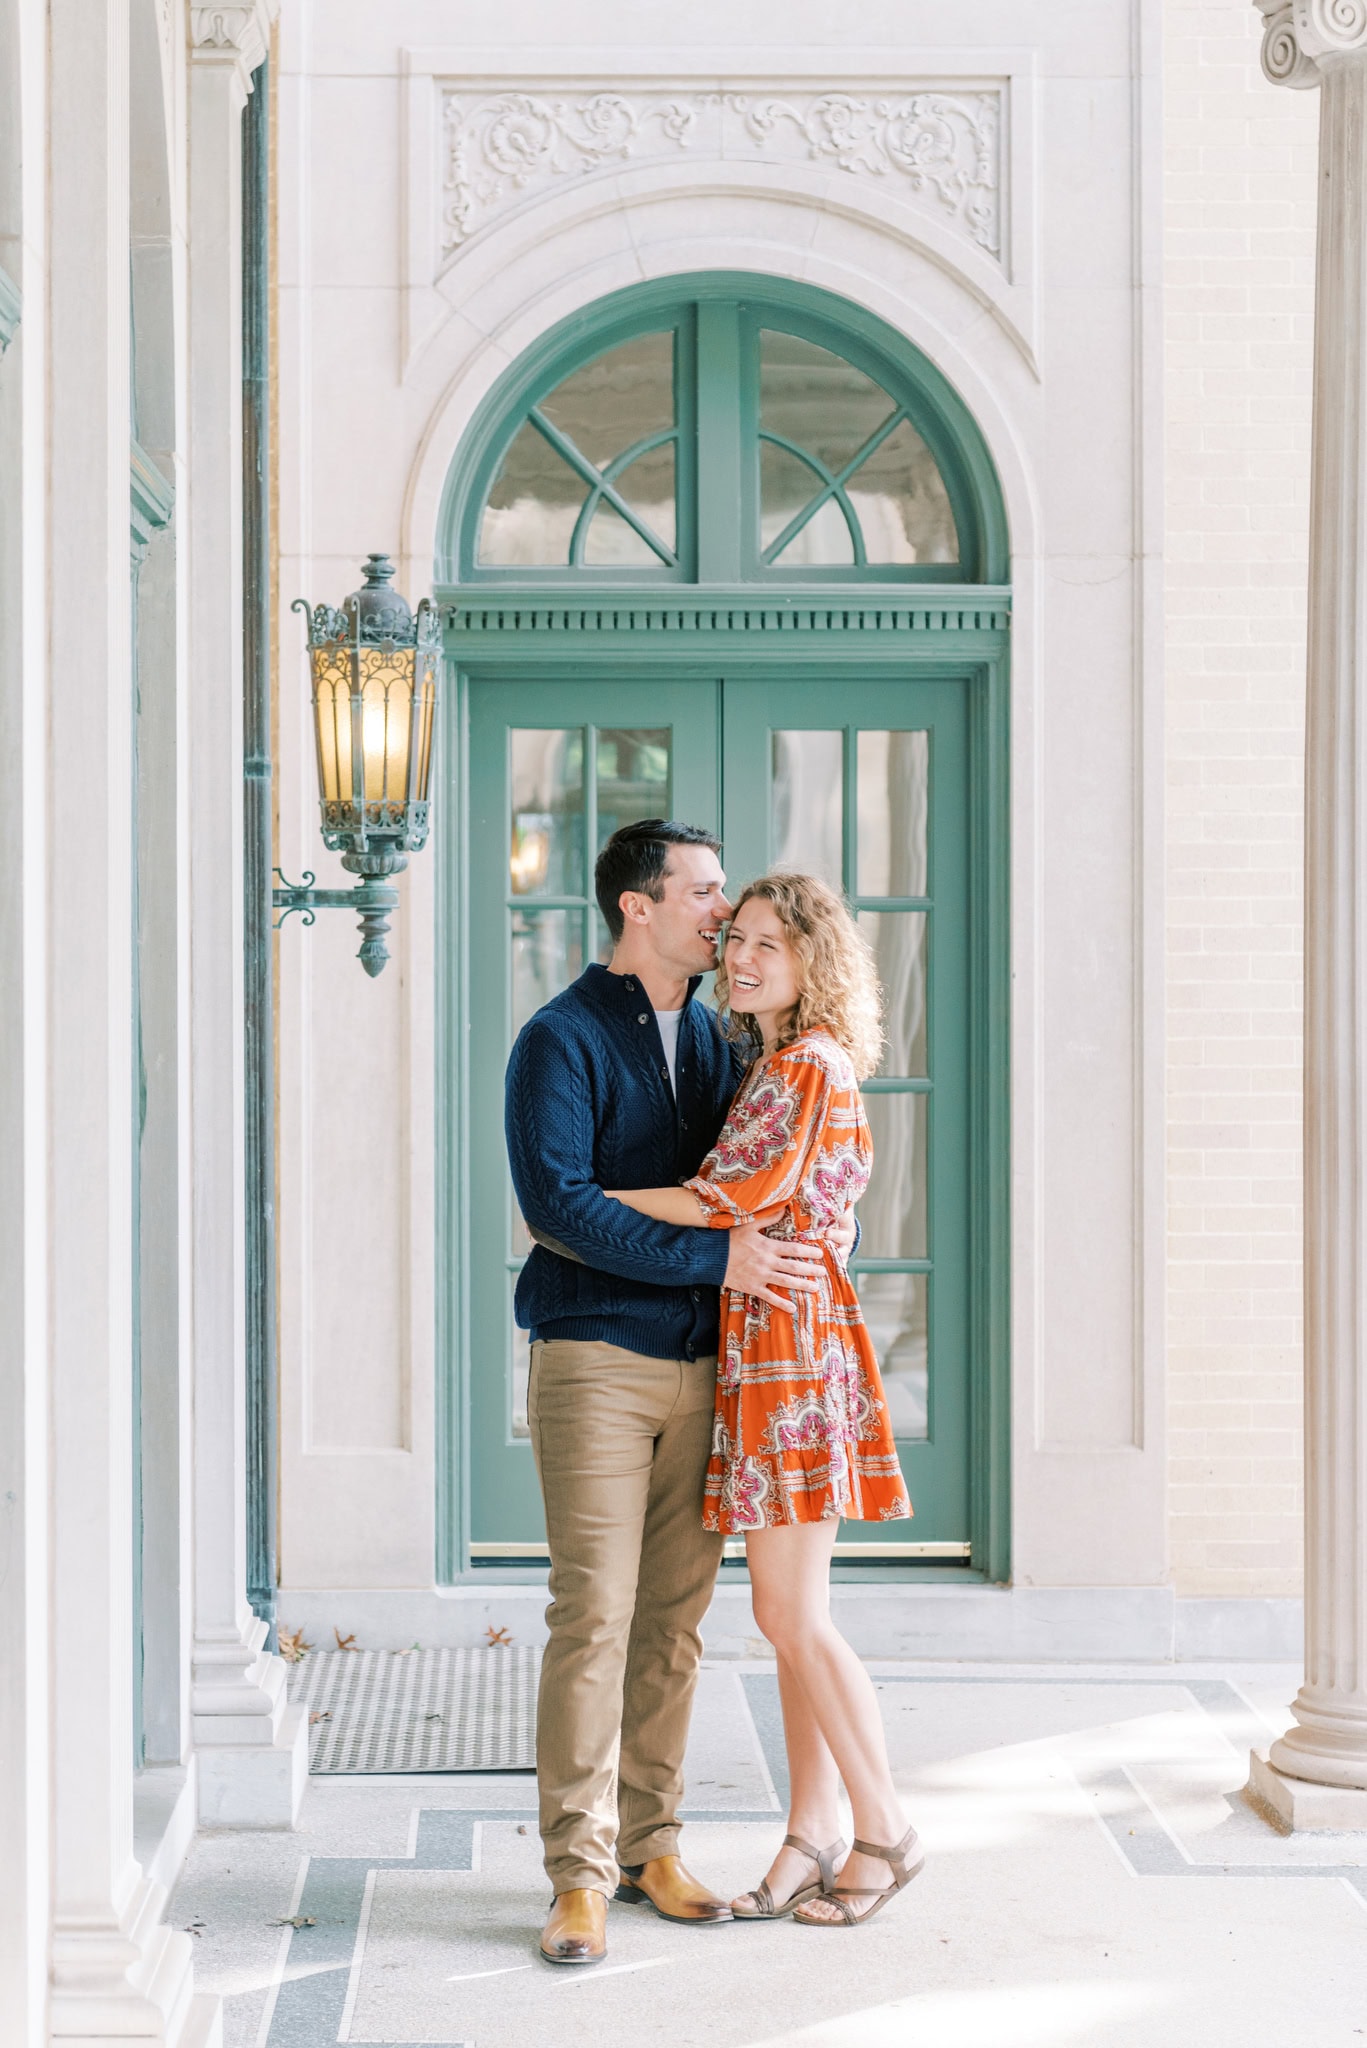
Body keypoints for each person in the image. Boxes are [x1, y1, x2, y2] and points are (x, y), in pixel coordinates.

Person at [504, 821, 855, 1967]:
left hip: (710, 1367)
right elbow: (559, 1207)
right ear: (636, 905)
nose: (721, 912)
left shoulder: (721, 1039)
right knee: (593, 1614)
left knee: (673, 1624)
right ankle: (577, 1875)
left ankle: (651, 1847)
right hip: (593, 1359)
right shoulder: (557, 1038)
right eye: (703, 893)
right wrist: (717, 1257)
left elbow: (757, 1185)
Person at [604, 872, 924, 1928]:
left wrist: (586, 1198)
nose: (739, 959)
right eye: (734, 937)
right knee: (795, 1617)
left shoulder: (802, 1065)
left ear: (810, 962)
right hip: (776, 1342)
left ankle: (884, 1832)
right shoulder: (783, 1060)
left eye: (767, 946)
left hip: (789, 1350)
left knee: (787, 1613)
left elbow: (725, 1197)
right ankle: (811, 1833)